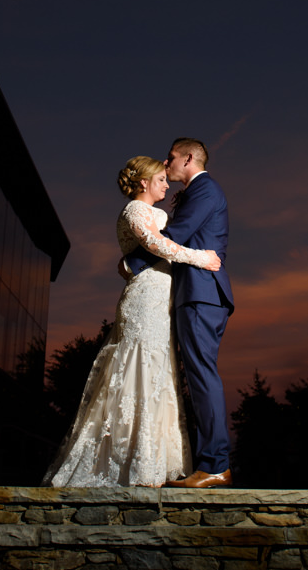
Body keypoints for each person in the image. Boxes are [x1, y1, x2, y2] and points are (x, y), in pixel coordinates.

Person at [43, 155, 221, 488]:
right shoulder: (134, 211)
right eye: (161, 180)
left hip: (161, 298)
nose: (167, 185)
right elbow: (155, 244)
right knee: (137, 368)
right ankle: (123, 461)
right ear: (143, 182)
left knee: (158, 372)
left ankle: (150, 458)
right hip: (144, 300)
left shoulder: (154, 211)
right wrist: (199, 258)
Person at [125, 137, 235, 489]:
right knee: (199, 376)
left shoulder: (205, 190)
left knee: (202, 376)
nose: (166, 162)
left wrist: (133, 262)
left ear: (189, 158)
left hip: (202, 293)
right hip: (195, 293)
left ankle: (215, 465)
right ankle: (209, 463)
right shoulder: (199, 191)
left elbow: (177, 233)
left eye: (171, 158)